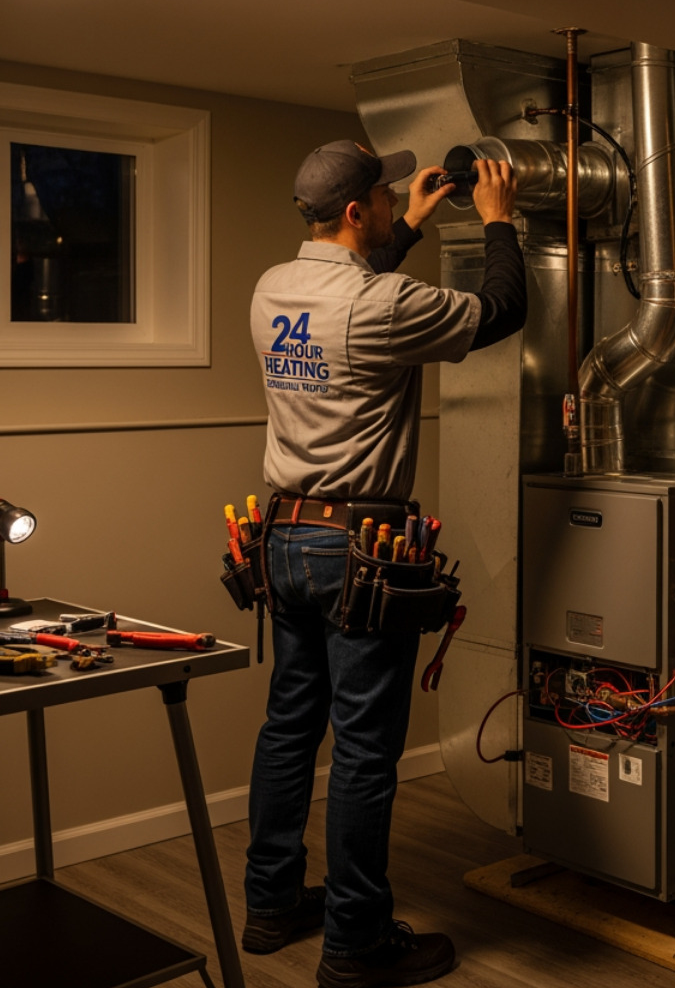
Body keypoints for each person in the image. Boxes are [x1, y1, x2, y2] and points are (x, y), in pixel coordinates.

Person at [243, 139, 523, 988]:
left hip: (283, 537)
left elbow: (355, 296)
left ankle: (270, 905)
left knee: (290, 729)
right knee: (365, 752)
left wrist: (410, 224)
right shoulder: (382, 302)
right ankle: (356, 944)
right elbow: (500, 310)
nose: (401, 197)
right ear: (358, 209)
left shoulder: (271, 288)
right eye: (388, 194)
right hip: (360, 549)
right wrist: (497, 222)